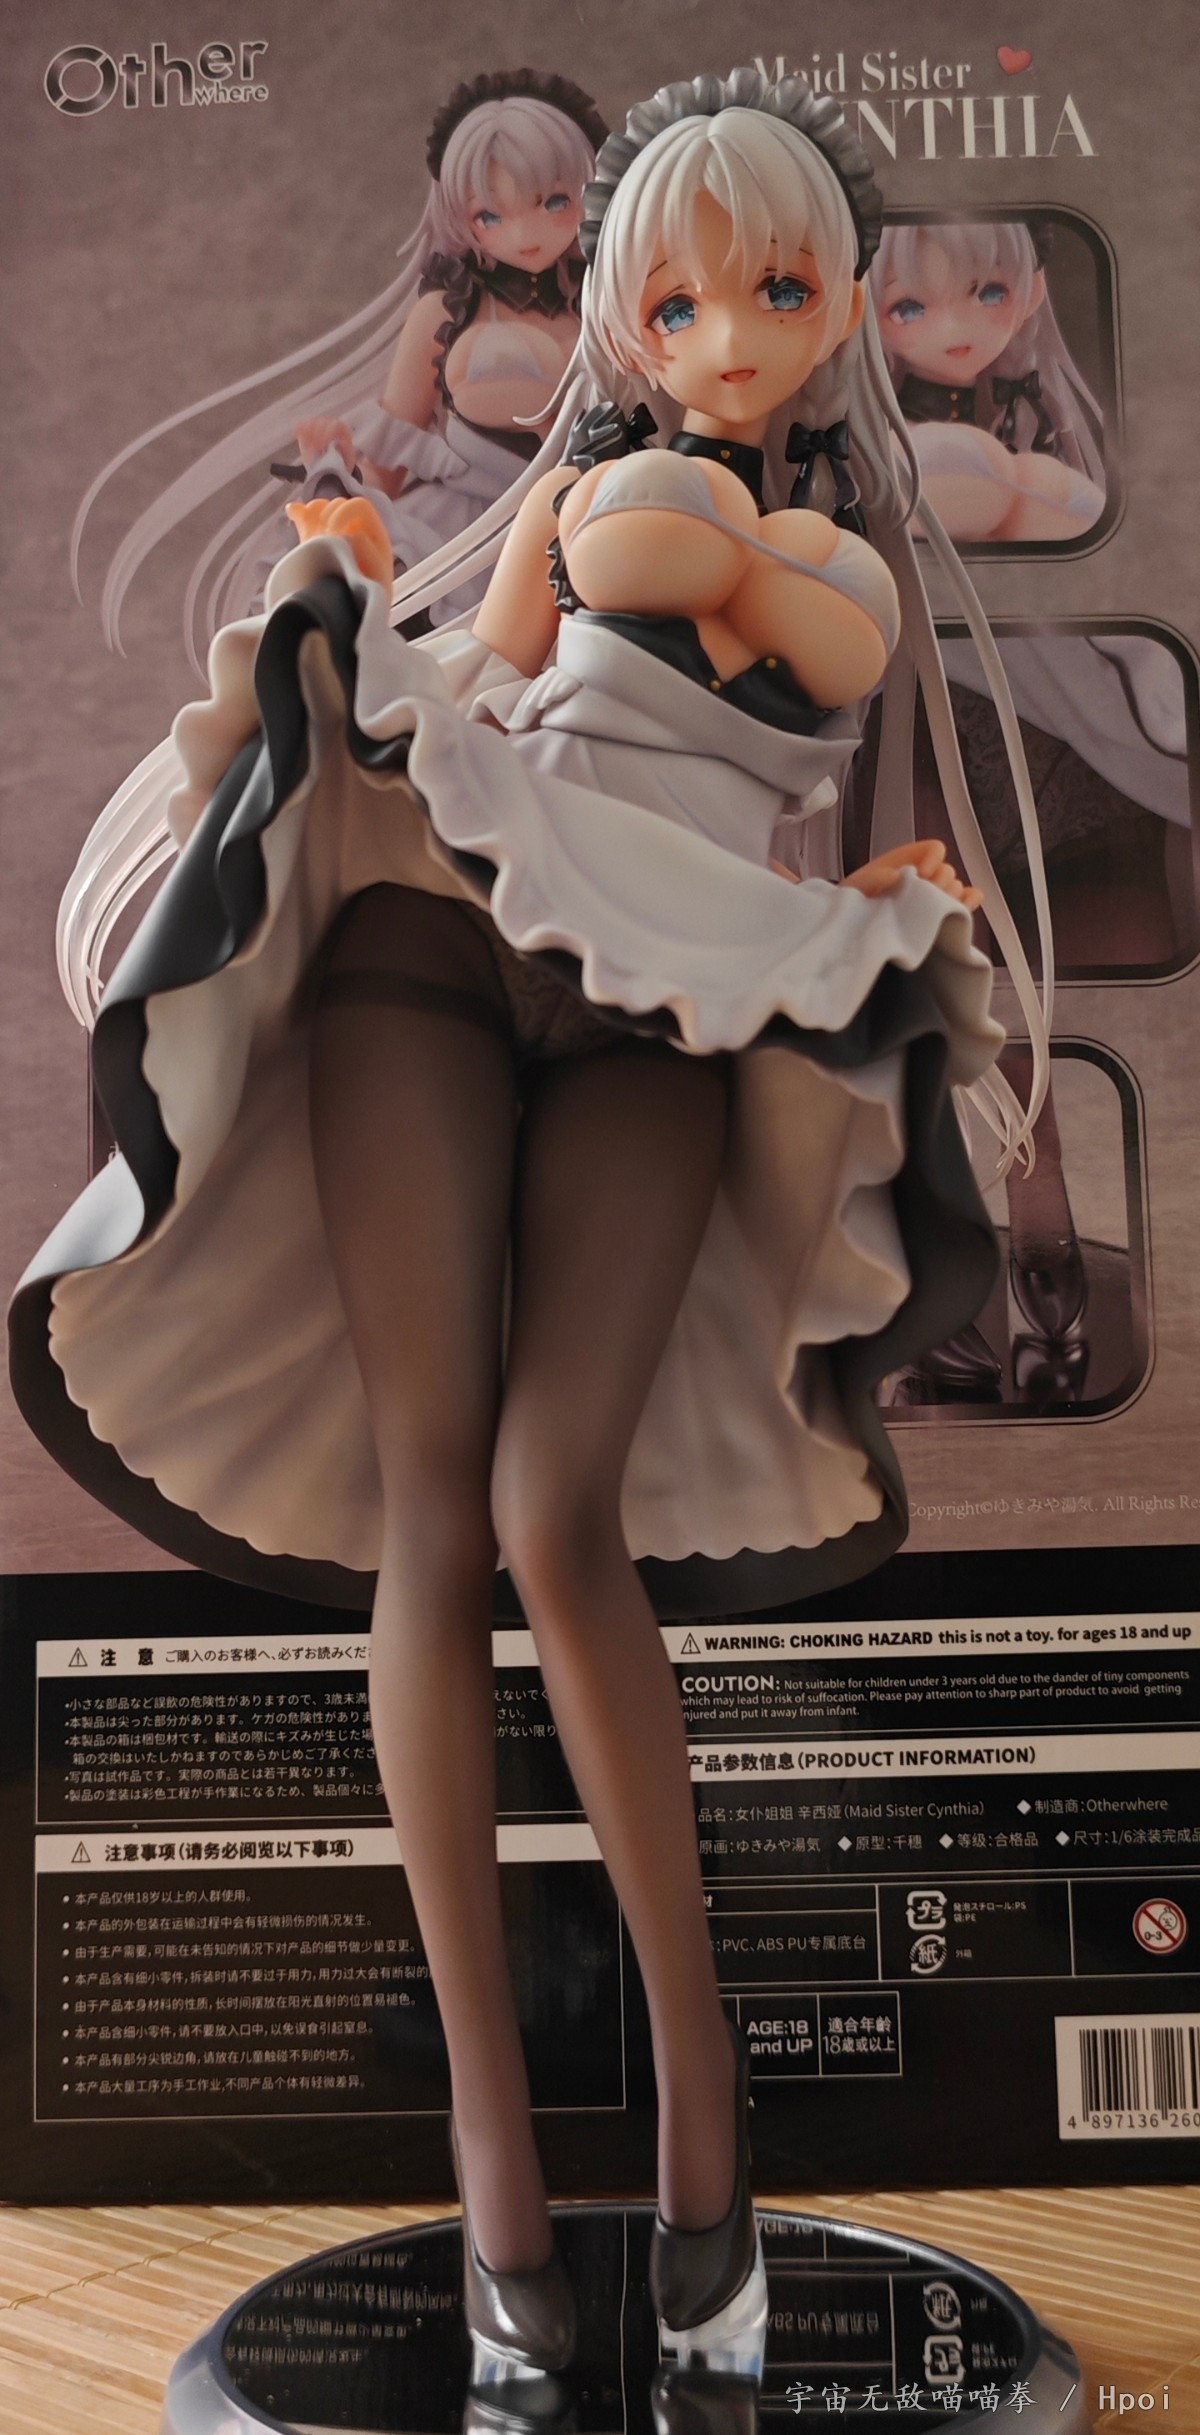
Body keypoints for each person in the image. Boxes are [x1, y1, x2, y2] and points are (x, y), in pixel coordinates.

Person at [13, 66, 1053, 2391]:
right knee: (432, 1501)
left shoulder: (841, 558)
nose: (722, 336)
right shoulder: (580, 491)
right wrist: (346, 623)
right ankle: (492, 2171)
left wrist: (839, 817)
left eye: (769, 291)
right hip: (443, 935)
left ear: (834, 308)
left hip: (665, 999)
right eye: (672, 301)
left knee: (552, 1507)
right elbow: (486, 679)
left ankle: (705, 2114)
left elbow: (791, 636)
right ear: (616, 311)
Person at [70, 69, 606, 667]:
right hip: (460, 539)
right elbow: (391, 458)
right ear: (461, 216)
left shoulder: (608, 301)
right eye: (491, 215)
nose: (526, 234)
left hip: (583, 523)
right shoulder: (448, 311)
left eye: (554, 202)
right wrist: (344, 485)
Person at [869, 218, 1105, 544]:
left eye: (991, 294)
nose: (954, 328)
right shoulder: (887, 425)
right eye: (908, 309)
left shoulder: (1024, 407)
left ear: (1033, 292)